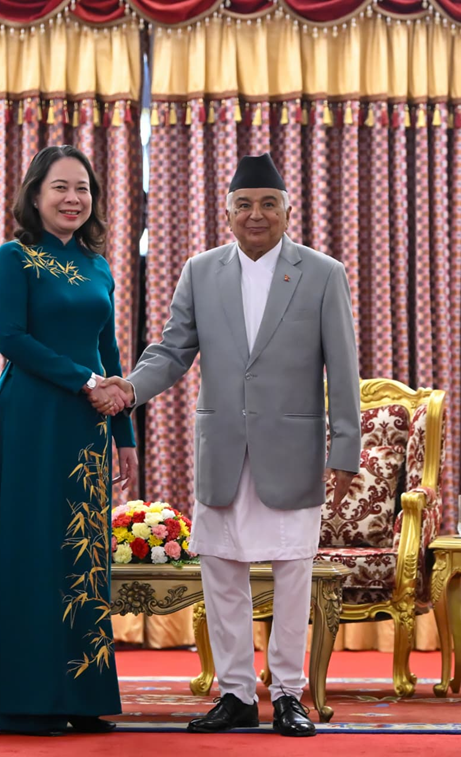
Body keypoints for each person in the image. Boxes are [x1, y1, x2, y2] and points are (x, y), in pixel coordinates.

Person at [102, 154, 360, 737]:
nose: (255, 214)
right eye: (244, 204)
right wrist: (130, 389)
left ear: (288, 210)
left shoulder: (323, 273)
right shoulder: (200, 271)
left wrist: (344, 449)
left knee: (292, 575)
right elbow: (172, 351)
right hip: (222, 449)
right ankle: (237, 694)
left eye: (268, 204)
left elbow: (343, 369)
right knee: (220, 573)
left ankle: (288, 694)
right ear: (227, 212)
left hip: (292, 452)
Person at [0, 145, 137, 735]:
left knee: (80, 553)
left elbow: (109, 353)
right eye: (60, 187)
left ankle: (80, 697)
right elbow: (11, 339)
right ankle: (24, 699)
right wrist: (85, 382)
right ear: (35, 195)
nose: (73, 199)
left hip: (86, 424)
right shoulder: (14, 257)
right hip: (33, 418)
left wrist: (125, 433)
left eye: (83, 188)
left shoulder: (98, 265)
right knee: (31, 548)